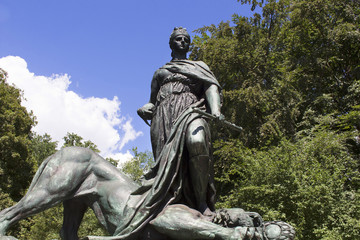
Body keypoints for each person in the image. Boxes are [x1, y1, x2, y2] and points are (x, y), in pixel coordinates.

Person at [137, 27, 222, 216]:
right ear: (171, 44)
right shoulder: (160, 73)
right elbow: (152, 101)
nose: (183, 41)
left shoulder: (199, 66)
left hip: (191, 109)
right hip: (164, 116)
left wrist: (215, 110)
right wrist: (145, 108)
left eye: (186, 39)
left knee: (197, 142)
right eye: (178, 39)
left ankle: (201, 203)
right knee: (167, 162)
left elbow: (210, 86)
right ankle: (169, 202)